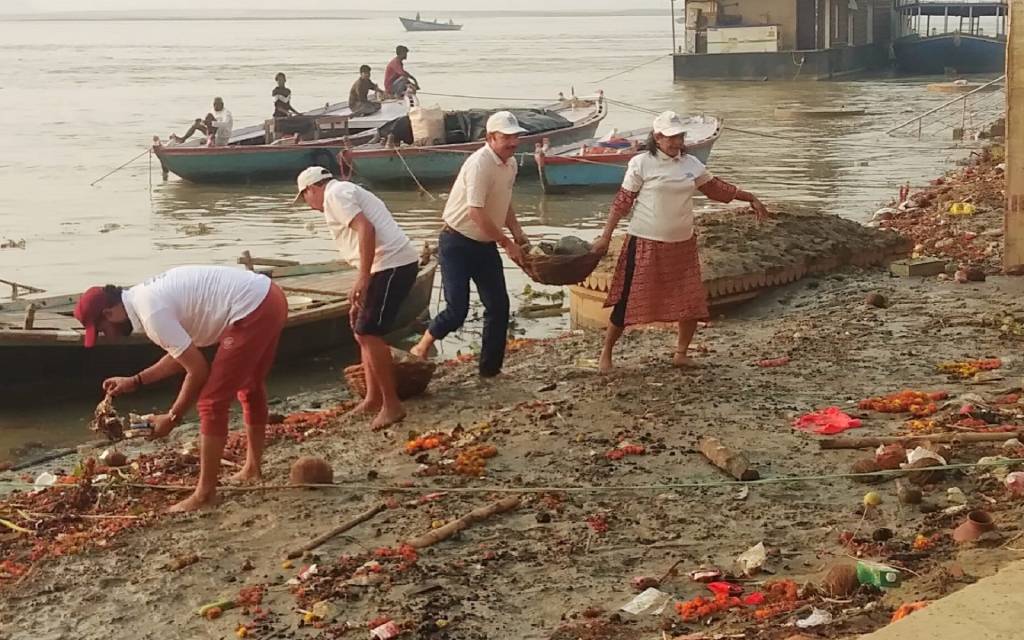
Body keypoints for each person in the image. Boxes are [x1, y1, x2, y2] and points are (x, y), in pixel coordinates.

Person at [73, 266, 287, 512]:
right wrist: (135, 380)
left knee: (211, 402)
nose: (107, 337)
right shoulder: (145, 299)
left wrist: (172, 418)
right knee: (249, 387)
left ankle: (205, 494)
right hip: (269, 297)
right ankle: (252, 469)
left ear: (109, 313)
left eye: (102, 330)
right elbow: (182, 354)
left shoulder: (151, 315)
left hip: (252, 309)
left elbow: (197, 370)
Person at [591, 111, 768, 374]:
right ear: (657, 137)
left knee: (690, 300)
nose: (676, 143)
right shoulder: (641, 163)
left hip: (682, 242)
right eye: (671, 138)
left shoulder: (691, 164)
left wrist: (749, 196)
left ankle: (681, 353)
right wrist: (606, 236)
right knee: (627, 300)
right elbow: (622, 202)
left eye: (680, 137)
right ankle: (606, 354)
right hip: (645, 241)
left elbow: (715, 188)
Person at [295, 165, 420, 430]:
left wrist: (363, 277)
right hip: (384, 265)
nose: (308, 204)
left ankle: (391, 404)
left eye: (305, 197)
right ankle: (374, 398)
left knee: (369, 332)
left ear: (312, 189)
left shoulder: (334, 194)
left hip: (390, 264)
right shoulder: (342, 192)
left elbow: (366, 228)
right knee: (361, 331)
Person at [410, 111, 529, 377]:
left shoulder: (510, 164)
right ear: (490, 138)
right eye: (506, 138)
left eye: (515, 137)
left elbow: (504, 201)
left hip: (485, 243)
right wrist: (507, 244)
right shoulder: (480, 164)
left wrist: (518, 233)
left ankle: (490, 370)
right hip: (457, 242)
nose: (512, 143)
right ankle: (422, 346)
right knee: (457, 310)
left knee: (499, 307)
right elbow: (475, 211)